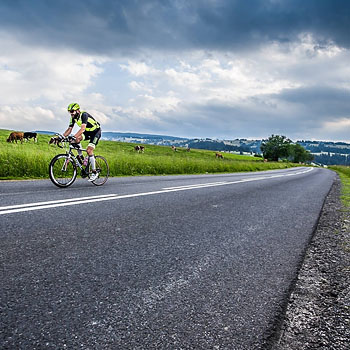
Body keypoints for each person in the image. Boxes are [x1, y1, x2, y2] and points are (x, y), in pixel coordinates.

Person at [63, 103, 101, 182]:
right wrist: (61, 137)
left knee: (89, 150)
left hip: (95, 132)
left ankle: (94, 172)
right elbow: (69, 129)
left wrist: (74, 136)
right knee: (75, 140)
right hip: (87, 132)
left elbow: (82, 129)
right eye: (69, 111)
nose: (71, 113)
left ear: (77, 110)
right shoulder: (73, 118)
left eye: (72, 111)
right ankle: (82, 158)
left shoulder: (84, 115)